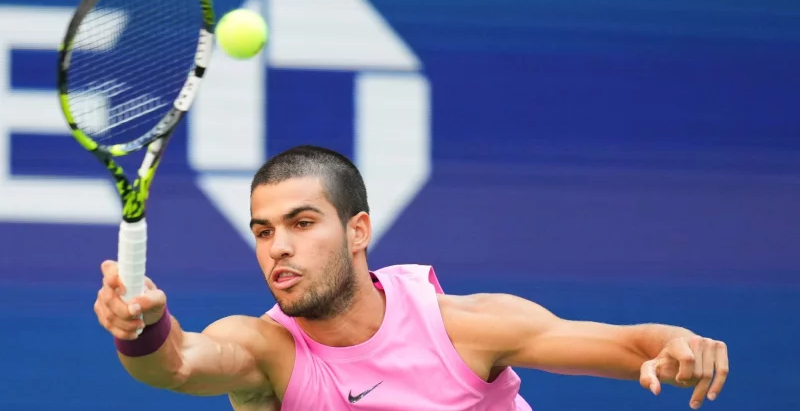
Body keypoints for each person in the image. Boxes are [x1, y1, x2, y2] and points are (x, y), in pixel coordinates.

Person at [94, 145, 729, 410]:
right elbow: (174, 364)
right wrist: (141, 328)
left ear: (358, 231)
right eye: (263, 231)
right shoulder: (267, 352)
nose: (278, 248)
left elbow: (630, 346)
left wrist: (675, 344)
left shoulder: (464, 328)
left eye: (302, 222)